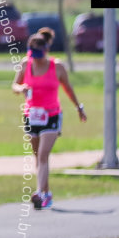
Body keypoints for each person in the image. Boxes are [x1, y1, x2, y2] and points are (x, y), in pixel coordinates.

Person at [11, 31, 86, 210]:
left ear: (46, 50)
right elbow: (14, 85)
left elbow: (68, 88)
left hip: (51, 115)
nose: (36, 59)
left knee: (44, 154)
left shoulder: (57, 66)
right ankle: (47, 194)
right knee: (38, 156)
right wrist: (21, 88)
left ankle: (39, 193)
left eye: (39, 55)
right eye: (33, 55)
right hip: (31, 115)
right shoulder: (25, 64)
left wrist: (78, 107)